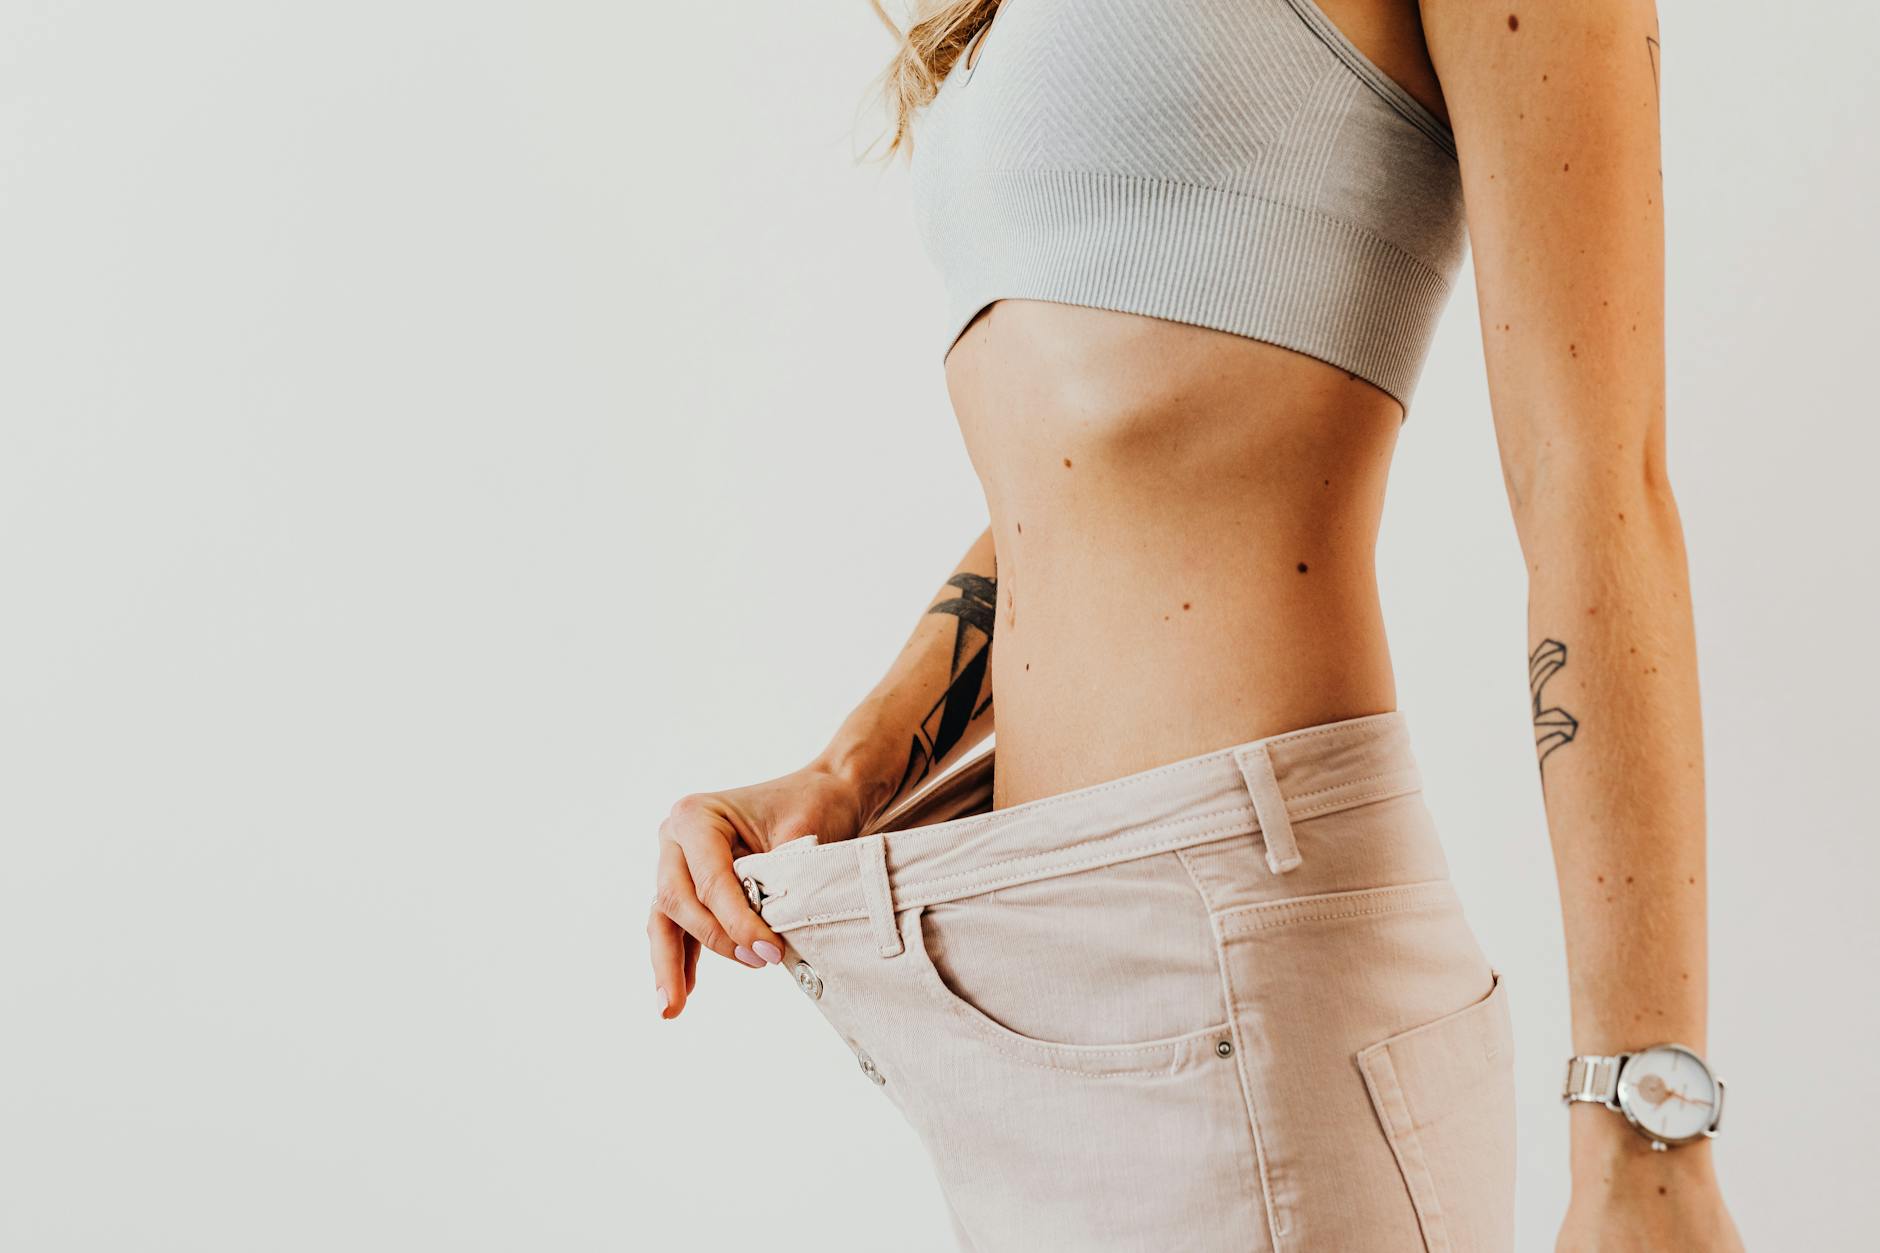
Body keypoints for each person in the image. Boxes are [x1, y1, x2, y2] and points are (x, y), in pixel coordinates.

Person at [648, 1, 1744, 1248]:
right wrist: (850, 770)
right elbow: (1093, 464)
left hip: (1240, 959)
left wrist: (1644, 1131)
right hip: (1017, 963)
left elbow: (1594, 489)